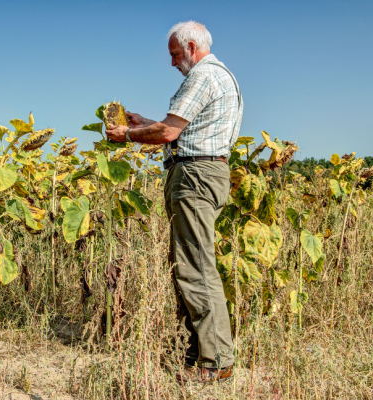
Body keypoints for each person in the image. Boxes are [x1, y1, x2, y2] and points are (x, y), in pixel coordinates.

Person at [105, 20, 243, 383]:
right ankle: (198, 352)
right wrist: (143, 122)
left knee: (195, 266)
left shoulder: (202, 77)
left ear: (193, 48)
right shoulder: (221, 76)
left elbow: (168, 132)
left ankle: (216, 361)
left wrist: (128, 134)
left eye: (175, 54)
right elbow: (181, 131)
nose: (172, 63)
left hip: (195, 176)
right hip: (204, 172)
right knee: (190, 262)